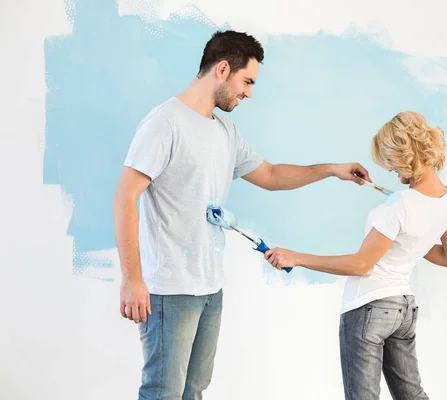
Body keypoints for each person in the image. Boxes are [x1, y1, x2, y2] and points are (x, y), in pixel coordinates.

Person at [112, 30, 372, 400]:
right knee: (162, 392)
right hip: (170, 290)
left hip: (209, 288)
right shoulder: (165, 123)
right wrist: (132, 280)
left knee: (193, 391)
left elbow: (270, 175)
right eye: (247, 81)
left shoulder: (225, 132)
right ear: (222, 69)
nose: (249, 92)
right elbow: (125, 198)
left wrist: (332, 169)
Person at [265, 111, 447, 400]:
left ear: (403, 154)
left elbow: (360, 265)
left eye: (392, 164)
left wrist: (297, 257)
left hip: (369, 308)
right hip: (404, 310)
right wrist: (408, 239)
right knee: (412, 395)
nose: (394, 173)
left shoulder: (399, 206)